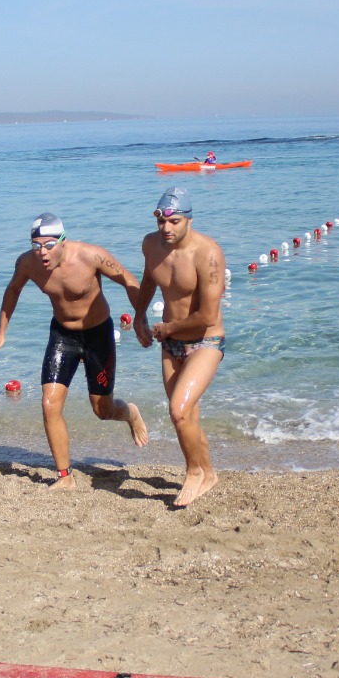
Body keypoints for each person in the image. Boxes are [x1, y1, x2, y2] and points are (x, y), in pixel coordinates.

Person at [0, 212, 149, 487]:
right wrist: (1, 334)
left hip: (98, 336)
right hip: (62, 336)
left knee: (102, 410)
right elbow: (12, 291)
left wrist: (140, 318)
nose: (42, 252)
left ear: (63, 241)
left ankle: (130, 413)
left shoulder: (91, 256)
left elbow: (129, 281)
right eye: (36, 245)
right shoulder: (27, 263)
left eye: (48, 245)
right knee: (49, 404)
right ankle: (64, 477)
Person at [133, 187, 226, 508]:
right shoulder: (151, 245)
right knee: (186, 416)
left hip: (205, 341)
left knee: (178, 410)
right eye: (161, 222)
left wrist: (168, 327)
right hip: (170, 343)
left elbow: (208, 315)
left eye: (174, 222)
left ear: (188, 220)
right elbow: (148, 282)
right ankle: (209, 473)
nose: (167, 229)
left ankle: (193, 473)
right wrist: (139, 318)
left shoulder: (207, 254)